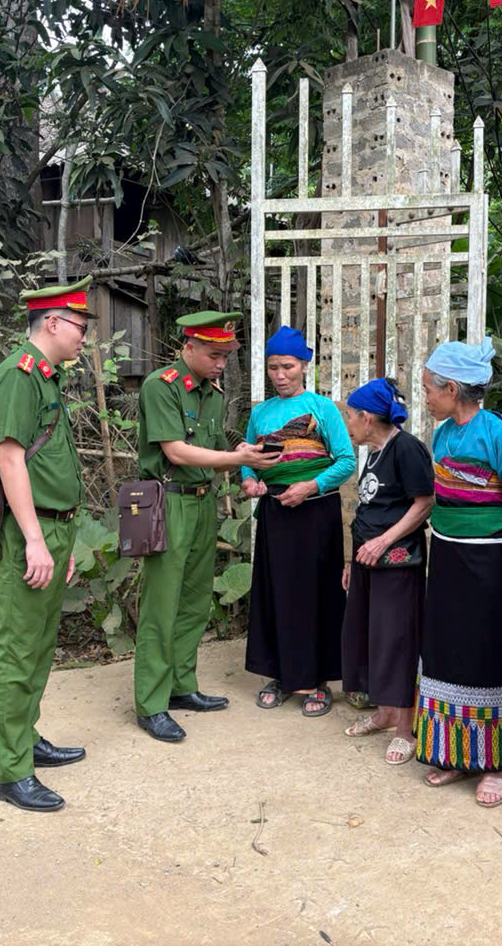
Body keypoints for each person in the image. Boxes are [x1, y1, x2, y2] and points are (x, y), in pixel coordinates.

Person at [133, 311, 281, 742]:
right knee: (162, 605)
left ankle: (181, 686)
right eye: (214, 356)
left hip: (202, 503)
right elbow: (177, 452)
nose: (221, 364)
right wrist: (239, 459)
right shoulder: (160, 387)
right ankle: (151, 704)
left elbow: (216, 447)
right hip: (167, 504)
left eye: (226, 357)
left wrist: (247, 459)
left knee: (195, 601)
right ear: (189, 347)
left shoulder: (211, 393)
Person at [415, 341, 502, 807]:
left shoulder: (501, 438)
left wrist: (501, 559)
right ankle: (450, 753)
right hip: (446, 556)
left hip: (486, 560)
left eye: (429, 390)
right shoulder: (443, 436)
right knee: (443, 648)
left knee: (485, 653)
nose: (426, 398)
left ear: (451, 389)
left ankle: (491, 764)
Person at [0, 280, 93, 813]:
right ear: (52, 323)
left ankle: (26, 738)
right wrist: (33, 539)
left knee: (40, 643)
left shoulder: (47, 377)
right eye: (80, 327)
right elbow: (10, 460)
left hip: (54, 528)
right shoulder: (18, 375)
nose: (83, 337)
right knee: (16, 648)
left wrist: (59, 541)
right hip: (28, 531)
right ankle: (11, 771)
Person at [242, 327, 356, 717]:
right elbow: (248, 459)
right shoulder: (260, 413)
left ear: (305, 366)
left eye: (288, 367)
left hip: (316, 513)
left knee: (316, 592)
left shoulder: (322, 409)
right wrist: (250, 481)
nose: (280, 375)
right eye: (273, 367)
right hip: (276, 512)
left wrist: (310, 486)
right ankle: (280, 674)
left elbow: (346, 461)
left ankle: (318, 678)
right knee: (275, 591)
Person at [339, 378, 433, 764]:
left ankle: (404, 730)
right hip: (368, 561)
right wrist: (352, 560)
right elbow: (369, 509)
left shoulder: (406, 448)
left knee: (397, 640)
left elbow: (424, 502)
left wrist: (383, 542)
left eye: (349, 415)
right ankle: (384, 712)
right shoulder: (375, 452)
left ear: (366, 417)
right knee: (371, 635)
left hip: (397, 561)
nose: (347, 423)